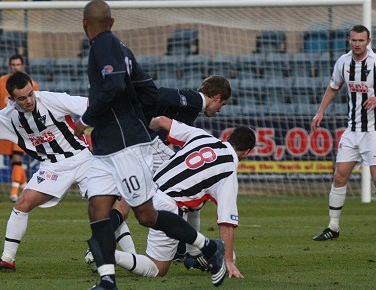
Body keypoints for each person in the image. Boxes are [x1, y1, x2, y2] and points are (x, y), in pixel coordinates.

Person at [75, 1, 227, 289]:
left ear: (85, 24)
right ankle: (108, 280)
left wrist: (87, 118)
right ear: (113, 20)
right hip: (108, 145)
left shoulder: (103, 45)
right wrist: (136, 116)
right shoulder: (122, 49)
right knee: (98, 208)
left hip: (126, 146)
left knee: (145, 215)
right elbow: (149, 91)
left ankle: (207, 247)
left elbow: (115, 85)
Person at [0, 71, 91, 272]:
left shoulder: (51, 99)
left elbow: (91, 104)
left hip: (83, 159)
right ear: (11, 99)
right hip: (52, 167)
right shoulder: (7, 118)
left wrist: (85, 123)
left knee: (104, 204)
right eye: (22, 98)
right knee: (22, 203)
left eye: (30, 94)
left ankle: (102, 250)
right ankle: (7, 260)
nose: (29, 101)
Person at [111, 116, 254, 280]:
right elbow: (226, 221)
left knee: (196, 202)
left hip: (146, 188)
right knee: (158, 268)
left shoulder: (202, 136)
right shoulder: (229, 170)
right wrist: (228, 261)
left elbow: (161, 121)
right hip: (167, 205)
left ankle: (193, 253)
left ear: (227, 138)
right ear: (247, 152)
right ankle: (108, 254)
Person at [108, 75, 232, 261]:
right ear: (216, 96)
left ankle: (101, 241)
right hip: (148, 144)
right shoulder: (194, 99)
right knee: (187, 187)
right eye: (221, 105)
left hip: (137, 144)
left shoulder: (192, 107)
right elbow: (161, 95)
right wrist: (144, 119)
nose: (219, 111)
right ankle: (191, 252)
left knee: (126, 199)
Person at [311, 25, 376, 242]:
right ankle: (333, 227)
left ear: (368, 41)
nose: (357, 44)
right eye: (354, 40)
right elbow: (334, 86)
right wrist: (320, 111)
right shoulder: (343, 62)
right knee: (339, 175)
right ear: (349, 40)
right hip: (352, 130)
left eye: (361, 40)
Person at [0, 54, 39, 203]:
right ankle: (27, 188)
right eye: (13, 65)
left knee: (17, 158)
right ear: (10, 66)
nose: (16, 67)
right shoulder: (2, 82)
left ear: (22, 66)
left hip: (23, 127)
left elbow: (38, 103)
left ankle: (14, 193)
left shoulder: (31, 84)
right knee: (14, 161)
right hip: (5, 126)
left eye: (18, 65)